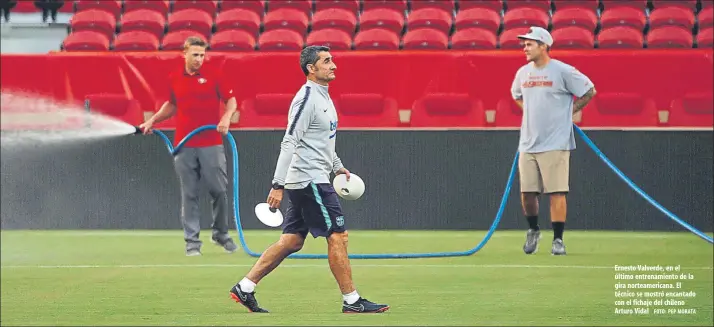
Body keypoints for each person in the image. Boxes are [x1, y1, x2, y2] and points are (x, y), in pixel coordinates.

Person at [227, 45, 390, 314]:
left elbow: (320, 141)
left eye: (332, 60)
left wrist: (338, 167)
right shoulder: (306, 99)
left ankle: (244, 287)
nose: (333, 65)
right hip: (309, 181)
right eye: (326, 61)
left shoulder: (323, 96)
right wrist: (277, 184)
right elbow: (290, 140)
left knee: (291, 241)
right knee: (338, 235)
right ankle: (352, 301)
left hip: (312, 178)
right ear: (311, 69)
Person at [139, 36, 239, 256]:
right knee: (189, 193)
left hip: (211, 142)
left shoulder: (214, 75)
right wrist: (152, 121)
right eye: (195, 54)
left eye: (202, 55)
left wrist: (226, 118)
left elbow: (231, 101)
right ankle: (192, 242)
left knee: (219, 190)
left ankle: (220, 234)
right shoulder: (174, 77)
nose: (199, 59)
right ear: (184, 53)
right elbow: (172, 105)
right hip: (184, 145)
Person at [510, 27, 597, 256]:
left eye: (529, 44)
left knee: (557, 192)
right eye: (524, 44)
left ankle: (558, 239)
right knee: (527, 193)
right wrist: (530, 111)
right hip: (528, 142)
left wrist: (570, 111)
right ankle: (533, 230)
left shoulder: (562, 71)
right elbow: (516, 95)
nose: (525, 48)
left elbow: (589, 90)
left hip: (555, 141)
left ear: (543, 45)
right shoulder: (522, 73)